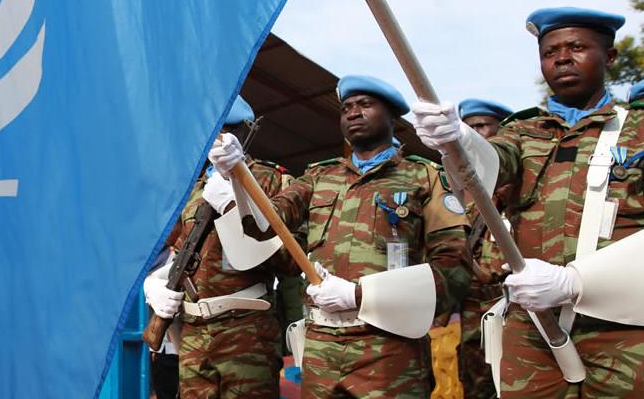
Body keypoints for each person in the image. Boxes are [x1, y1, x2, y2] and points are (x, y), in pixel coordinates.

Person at [413, 7, 644, 397]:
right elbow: (488, 166)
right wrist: (458, 142)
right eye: (550, 52)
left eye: (577, 47)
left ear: (609, 57)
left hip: (623, 326)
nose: (562, 58)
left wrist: (575, 283)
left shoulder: (637, 129)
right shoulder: (522, 132)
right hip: (533, 326)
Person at [209, 75, 472, 398]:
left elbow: (454, 269)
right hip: (322, 347)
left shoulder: (425, 177)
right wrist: (237, 176)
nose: (353, 113)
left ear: (392, 116)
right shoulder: (319, 177)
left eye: (365, 104)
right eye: (346, 107)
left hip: (389, 347)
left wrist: (359, 296)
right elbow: (264, 225)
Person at [143, 95, 294, 398]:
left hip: (246, 330)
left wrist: (236, 206)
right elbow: (175, 252)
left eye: (223, 132)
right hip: (194, 334)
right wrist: (154, 286)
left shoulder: (269, 181)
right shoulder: (193, 190)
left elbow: (289, 260)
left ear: (240, 133)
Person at [456, 99, 513, 399]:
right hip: (472, 309)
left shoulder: (523, 186)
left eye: (481, 126)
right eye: (469, 128)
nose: (474, 135)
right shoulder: (462, 191)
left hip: (516, 303)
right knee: (476, 381)